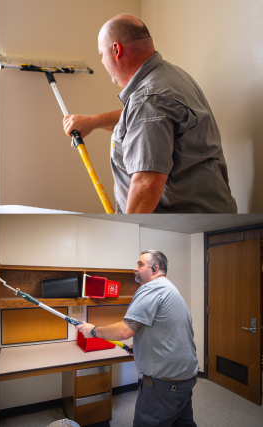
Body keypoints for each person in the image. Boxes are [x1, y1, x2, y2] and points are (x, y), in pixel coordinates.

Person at [63, 14, 237, 214]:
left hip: (184, 226)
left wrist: (127, 232)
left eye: (102, 54)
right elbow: (144, 121)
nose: (102, 61)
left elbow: (147, 184)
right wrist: (94, 122)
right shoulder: (171, 77)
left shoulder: (148, 99)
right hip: (212, 215)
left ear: (116, 50)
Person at [76, 250, 198, 427]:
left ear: (155, 269)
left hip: (165, 384)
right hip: (185, 377)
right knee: (183, 423)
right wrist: (141, 347)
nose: (135, 268)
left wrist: (93, 330)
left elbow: (125, 330)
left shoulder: (151, 289)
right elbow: (167, 331)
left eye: (140, 264)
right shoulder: (170, 288)